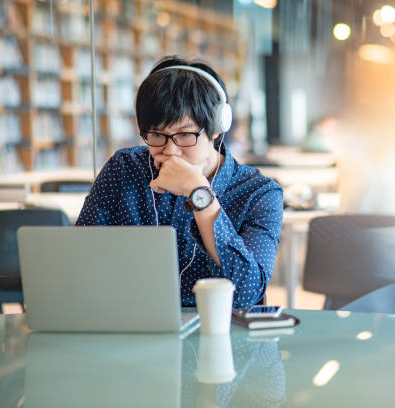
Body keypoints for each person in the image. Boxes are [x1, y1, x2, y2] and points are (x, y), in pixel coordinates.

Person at [76, 56, 283, 308]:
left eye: (185, 135)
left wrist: (199, 193)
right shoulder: (124, 169)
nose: (171, 151)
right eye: (156, 135)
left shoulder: (259, 193)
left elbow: (245, 293)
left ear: (217, 128)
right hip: (130, 323)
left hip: (216, 330)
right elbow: (81, 263)